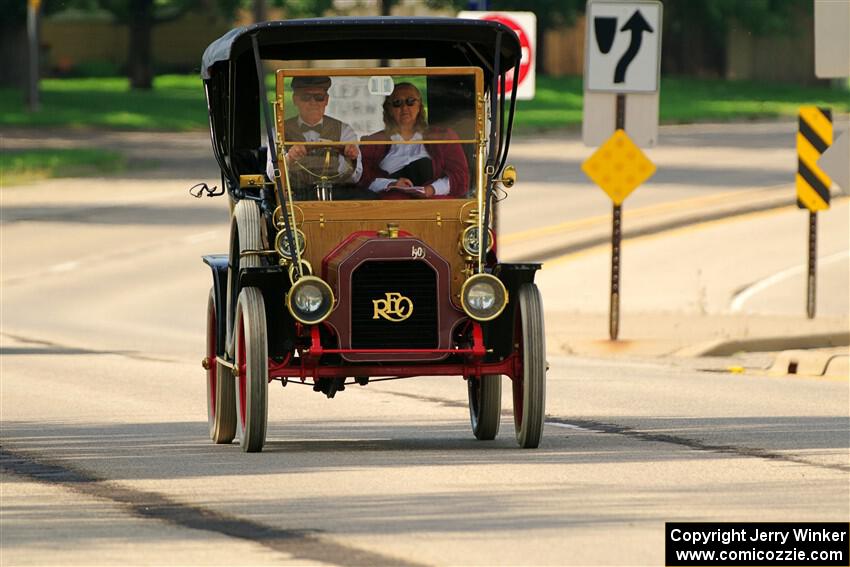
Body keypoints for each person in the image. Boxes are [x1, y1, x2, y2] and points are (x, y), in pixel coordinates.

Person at [358, 83, 469, 198]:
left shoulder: (443, 136)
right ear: (389, 109)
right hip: (390, 205)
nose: (404, 108)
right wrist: (391, 184)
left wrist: (431, 189)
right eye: (397, 103)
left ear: (420, 106)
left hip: (435, 208)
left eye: (410, 101)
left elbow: (460, 177)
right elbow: (360, 176)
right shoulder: (373, 142)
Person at [271, 76, 363, 197]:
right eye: (305, 97)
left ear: (326, 100)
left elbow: (355, 177)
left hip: (335, 195)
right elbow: (273, 175)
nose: (313, 103)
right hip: (295, 195)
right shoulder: (279, 131)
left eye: (319, 97)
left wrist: (350, 158)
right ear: (295, 100)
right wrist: (289, 159)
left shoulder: (344, 130)